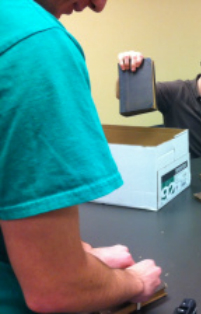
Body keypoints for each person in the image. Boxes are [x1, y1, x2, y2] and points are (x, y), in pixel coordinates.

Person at [0, 0, 162, 313]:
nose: (99, 5)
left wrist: (78, 256)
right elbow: (57, 289)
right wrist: (135, 282)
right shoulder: (36, 45)